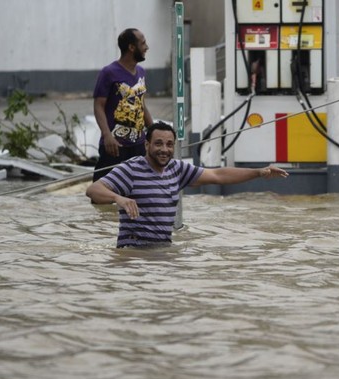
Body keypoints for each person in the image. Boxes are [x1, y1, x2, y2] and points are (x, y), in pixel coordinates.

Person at [85, 122, 289, 248]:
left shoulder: (176, 169)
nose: (164, 149)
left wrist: (259, 172)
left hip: (162, 250)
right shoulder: (131, 169)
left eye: (169, 144)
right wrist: (118, 198)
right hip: (133, 255)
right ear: (147, 145)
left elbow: (218, 175)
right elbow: (93, 190)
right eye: (158, 144)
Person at [92, 28, 154, 181]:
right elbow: (98, 105)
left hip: (138, 145)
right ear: (131, 47)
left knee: (138, 192)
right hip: (115, 146)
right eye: (143, 43)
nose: (147, 47)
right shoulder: (109, 72)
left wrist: (153, 132)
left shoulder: (141, 72)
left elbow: (142, 105)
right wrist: (107, 135)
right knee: (102, 195)